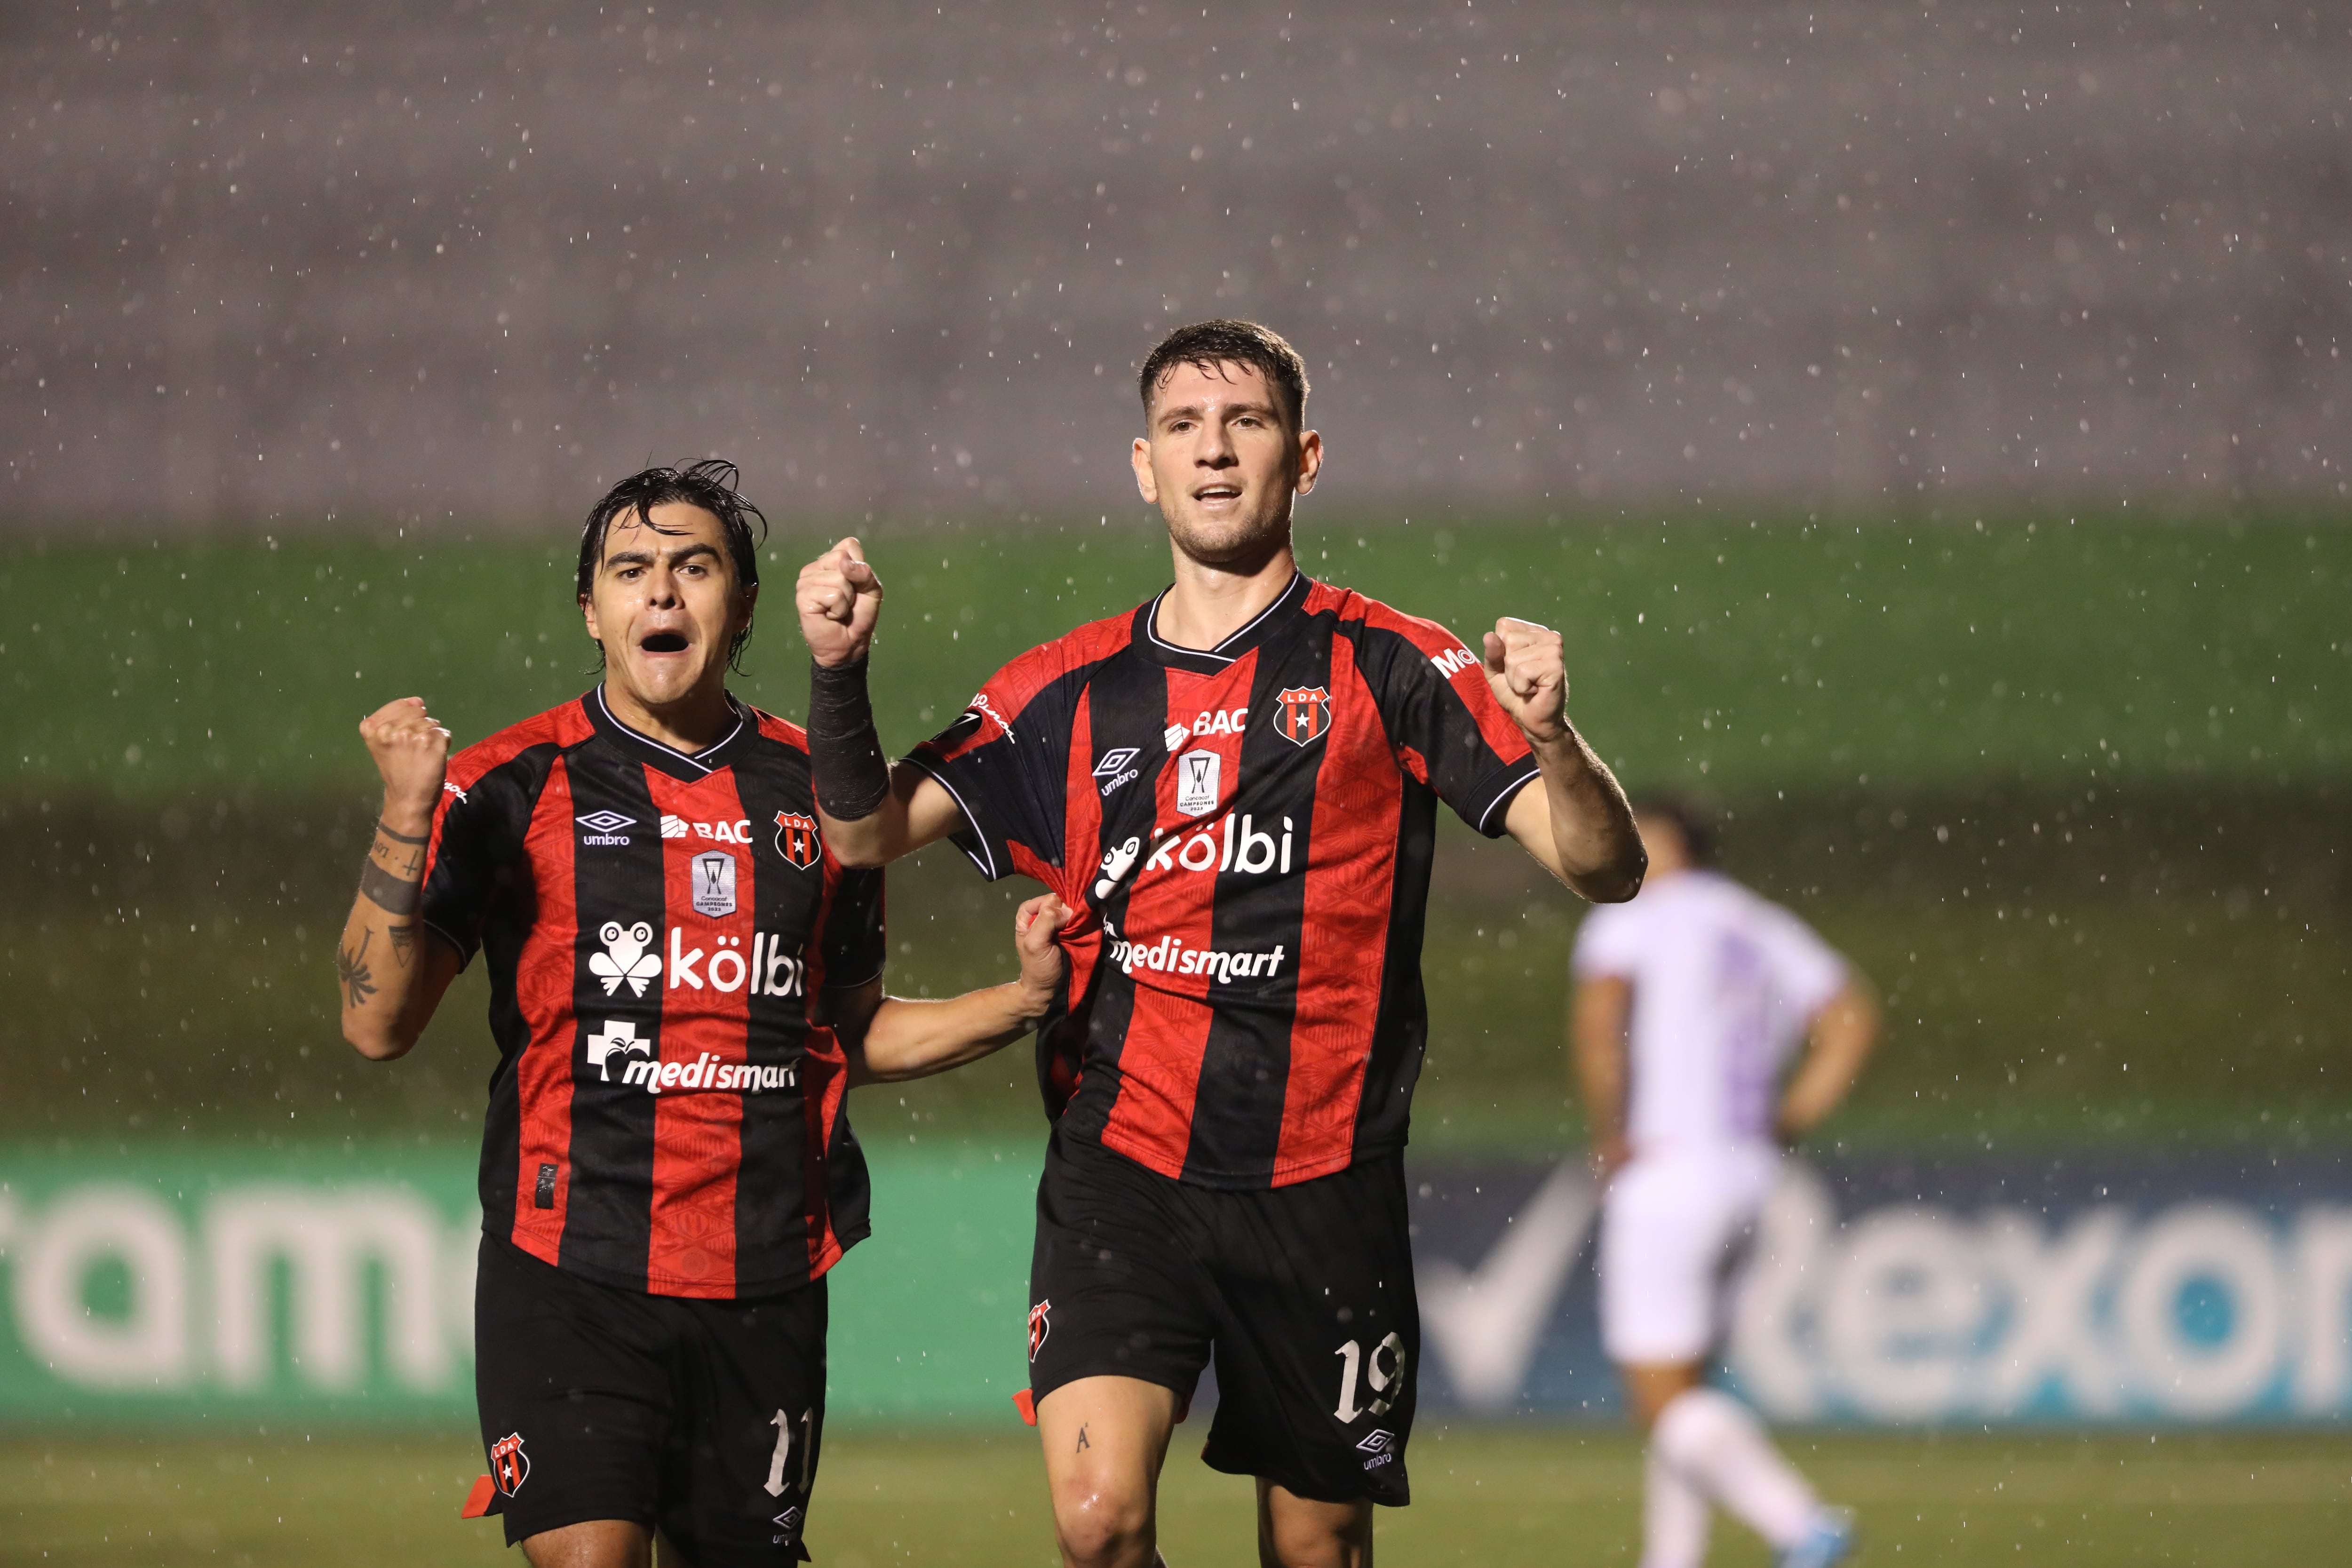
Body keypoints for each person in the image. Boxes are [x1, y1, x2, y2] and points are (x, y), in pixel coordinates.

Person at [792, 319, 1647, 1568]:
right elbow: (862, 833)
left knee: (1315, 1551)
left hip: (1322, 1171)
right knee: (1098, 1523)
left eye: (1244, 422)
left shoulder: (1393, 662)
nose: (1213, 449)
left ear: (1303, 457)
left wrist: (1556, 737)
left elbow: (1606, 868)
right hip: (1121, 1168)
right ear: (1143, 466)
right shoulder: (1065, 689)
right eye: (1184, 427)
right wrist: (837, 673)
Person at [334, 459, 1070, 1568]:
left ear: (742, 604)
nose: (662, 593)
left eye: (693, 566)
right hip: (568, 1267)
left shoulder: (820, 798)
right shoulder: (510, 786)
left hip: (762, 1272)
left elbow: (851, 1036)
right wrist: (402, 815)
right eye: (630, 571)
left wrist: (1018, 1002)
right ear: (593, 610)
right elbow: (376, 1024)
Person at [1569, 795, 1880, 1568]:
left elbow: (1601, 1018)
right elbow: (1851, 1018)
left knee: (1662, 1401)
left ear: (1666, 845)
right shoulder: (1758, 922)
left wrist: (1612, 1131)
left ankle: (1802, 1523)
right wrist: (1791, 1114)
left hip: (1669, 1168)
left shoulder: (1633, 912)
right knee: (1691, 1386)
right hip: (1747, 1174)